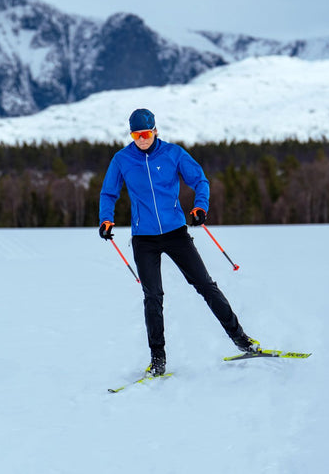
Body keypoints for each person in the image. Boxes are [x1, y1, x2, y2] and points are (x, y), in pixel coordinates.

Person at [98, 108, 259, 376]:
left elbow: (200, 180)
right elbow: (108, 192)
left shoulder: (174, 154)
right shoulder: (122, 159)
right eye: (136, 135)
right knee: (153, 297)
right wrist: (106, 219)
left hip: (175, 233)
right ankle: (158, 359)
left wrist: (200, 207)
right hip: (144, 238)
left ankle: (241, 339)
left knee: (206, 286)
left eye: (146, 133)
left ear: (155, 130)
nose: (142, 139)